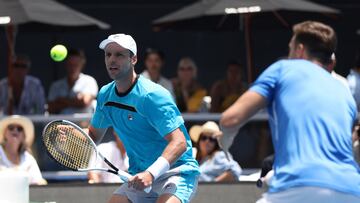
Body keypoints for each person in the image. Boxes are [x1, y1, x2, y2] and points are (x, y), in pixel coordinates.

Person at [218, 21, 360, 202]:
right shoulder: (344, 91)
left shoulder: (283, 69)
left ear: (299, 50)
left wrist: (226, 140)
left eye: (290, 49)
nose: (289, 54)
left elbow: (230, 119)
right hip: (352, 191)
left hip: (297, 187)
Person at [87, 33, 199, 203]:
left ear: (134, 59)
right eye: (108, 55)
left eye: (119, 55)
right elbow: (93, 136)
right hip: (139, 176)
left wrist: (152, 173)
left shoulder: (152, 95)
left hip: (175, 172)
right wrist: (72, 138)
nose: (112, 60)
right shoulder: (105, 95)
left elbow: (179, 142)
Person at [47, 48, 99, 114]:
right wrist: (76, 101)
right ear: (65, 64)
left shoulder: (89, 81)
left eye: (76, 65)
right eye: (70, 64)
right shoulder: (56, 85)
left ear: (82, 64)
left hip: (84, 124)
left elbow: (84, 102)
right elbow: (50, 108)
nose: (72, 68)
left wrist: (61, 100)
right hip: (61, 124)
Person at [0, 115, 47, 185]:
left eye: (19, 129)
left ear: (23, 136)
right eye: (11, 128)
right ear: (4, 133)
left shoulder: (28, 159)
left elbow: (39, 181)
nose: (15, 130)